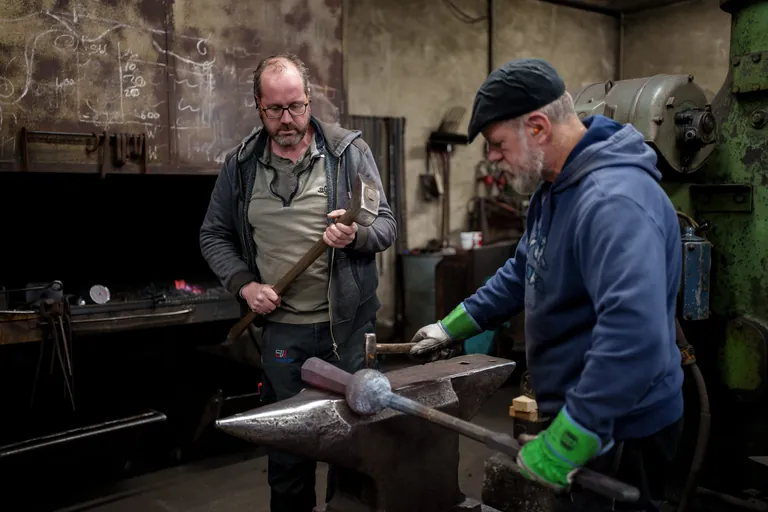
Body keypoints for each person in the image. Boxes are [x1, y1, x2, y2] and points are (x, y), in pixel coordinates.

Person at [409, 58, 684, 511]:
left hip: (621, 425)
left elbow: (634, 340)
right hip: (584, 412)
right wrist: (453, 324)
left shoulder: (613, 202)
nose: (493, 159)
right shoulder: (554, 188)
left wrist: (570, 439)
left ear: (537, 127)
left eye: (497, 144)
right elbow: (524, 269)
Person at [199, 52, 396, 512]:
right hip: (283, 334)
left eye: (297, 106)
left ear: (309, 100)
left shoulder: (348, 154)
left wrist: (354, 236)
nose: (288, 120)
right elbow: (213, 234)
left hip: (346, 331)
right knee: (288, 457)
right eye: (275, 109)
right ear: (257, 106)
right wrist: (245, 285)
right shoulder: (242, 165)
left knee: (352, 451)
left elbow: (385, 225)